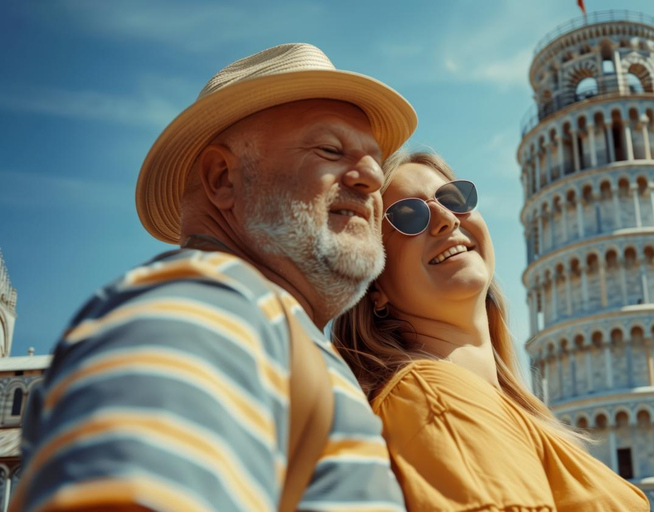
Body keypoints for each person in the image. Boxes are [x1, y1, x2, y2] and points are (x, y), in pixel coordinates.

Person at [11, 44, 417, 512]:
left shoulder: (263, 325)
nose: (372, 176)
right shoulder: (204, 300)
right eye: (330, 149)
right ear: (223, 177)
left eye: (373, 159)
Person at [332, 151, 651, 511]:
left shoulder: (510, 409)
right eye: (408, 216)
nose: (445, 219)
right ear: (375, 288)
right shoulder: (430, 394)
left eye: (454, 198)